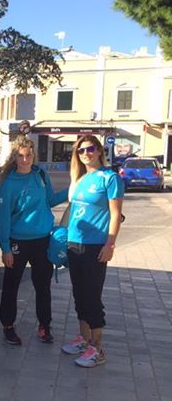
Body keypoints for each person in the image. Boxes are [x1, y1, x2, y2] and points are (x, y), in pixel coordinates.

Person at [0, 137, 67, 346]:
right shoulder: (9, 183)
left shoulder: (40, 175)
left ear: (34, 155)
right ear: (14, 157)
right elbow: (4, 219)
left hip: (42, 241)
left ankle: (44, 325)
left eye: (28, 155)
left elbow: (51, 200)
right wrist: (5, 248)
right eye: (21, 155)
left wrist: (71, 191)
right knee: (11, 286)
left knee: (43, 286)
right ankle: (8, 326)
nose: (25, 159)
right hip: (18, 242)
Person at [61, 135, 123, 367]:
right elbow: (72, 210)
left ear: (99, 151)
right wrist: (62, 236)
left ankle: (97, 348)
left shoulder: (110, 178)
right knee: (79, 293)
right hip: (74, 243)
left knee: (92, 296)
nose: (85, 153)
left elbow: (115, 215)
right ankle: (84, 338)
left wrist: (110, 244)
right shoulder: (80, 178)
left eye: (90, 149)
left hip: (95, 245)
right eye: (80, 150)